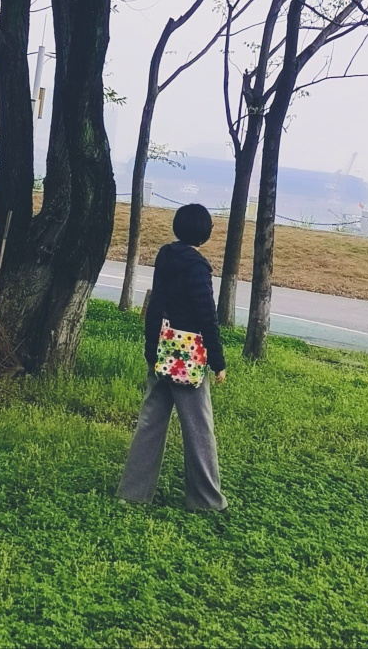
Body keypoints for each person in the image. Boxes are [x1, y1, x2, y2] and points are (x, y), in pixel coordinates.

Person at [117, 202, 228, 513]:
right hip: (187, 357)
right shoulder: (197, 267)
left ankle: (132, 492)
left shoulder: (165, 256)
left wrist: (151, 348)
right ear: (204, 233)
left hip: (161, 350)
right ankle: (206, 500)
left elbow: (156, 305)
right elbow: (207, 318)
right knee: (199, 428)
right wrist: (218, 362)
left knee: (150, 422)